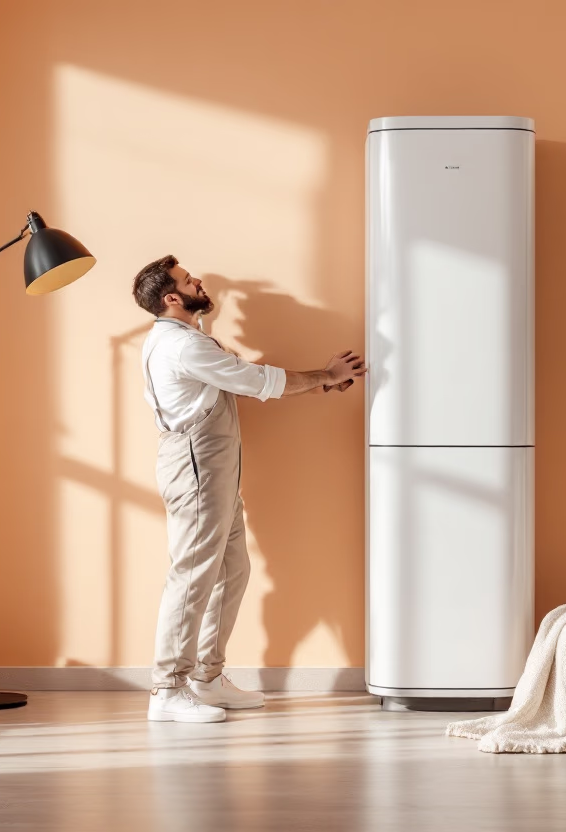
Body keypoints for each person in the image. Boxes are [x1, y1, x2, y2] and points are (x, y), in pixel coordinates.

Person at [133, 255, 366, 723]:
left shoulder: (188, 340)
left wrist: (320, 387)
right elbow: (258, 381)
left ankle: (207, 676)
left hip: (215, 468)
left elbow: (238, 381)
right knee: (193, 575)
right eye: (186, 280)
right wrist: (325, 376)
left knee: (231, 570)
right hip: (197, 468)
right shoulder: (182, 347)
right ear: (171, 298)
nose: (198, 279)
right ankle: (167, 689)